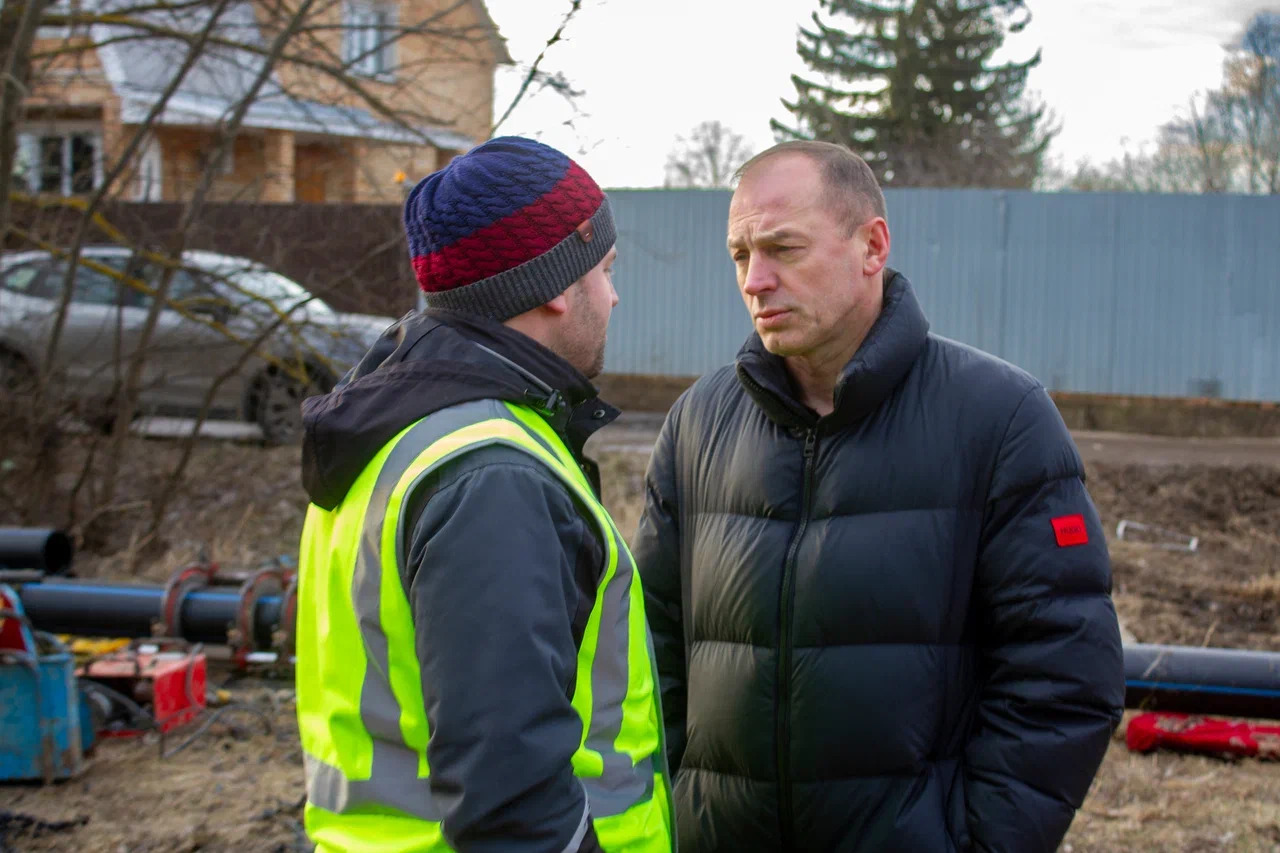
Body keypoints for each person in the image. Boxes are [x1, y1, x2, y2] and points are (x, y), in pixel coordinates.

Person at [633, 140, 1126, 852]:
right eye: (740, 255)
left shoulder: (999, 417)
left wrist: (976, 843)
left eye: (782, 248)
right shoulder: (698, 423)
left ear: (872, 246)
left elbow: (1065, 675)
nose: (756, 279)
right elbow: (650, 655)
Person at [293, 136, 674, 853]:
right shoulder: (491, 472)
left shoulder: (394, 436)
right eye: (606, 269)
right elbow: (514, 808)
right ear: (556, 285)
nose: (614, 294)